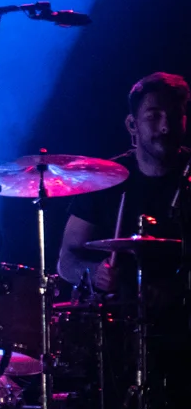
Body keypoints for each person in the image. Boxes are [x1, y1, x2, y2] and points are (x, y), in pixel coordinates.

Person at [57, 71, 188, 296]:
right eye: (154, 116)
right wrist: (95, 272)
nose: (165, 127)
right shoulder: (104, 180)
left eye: (175, 116)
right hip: (120, 312)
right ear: (132, 124)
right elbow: (67, 261)